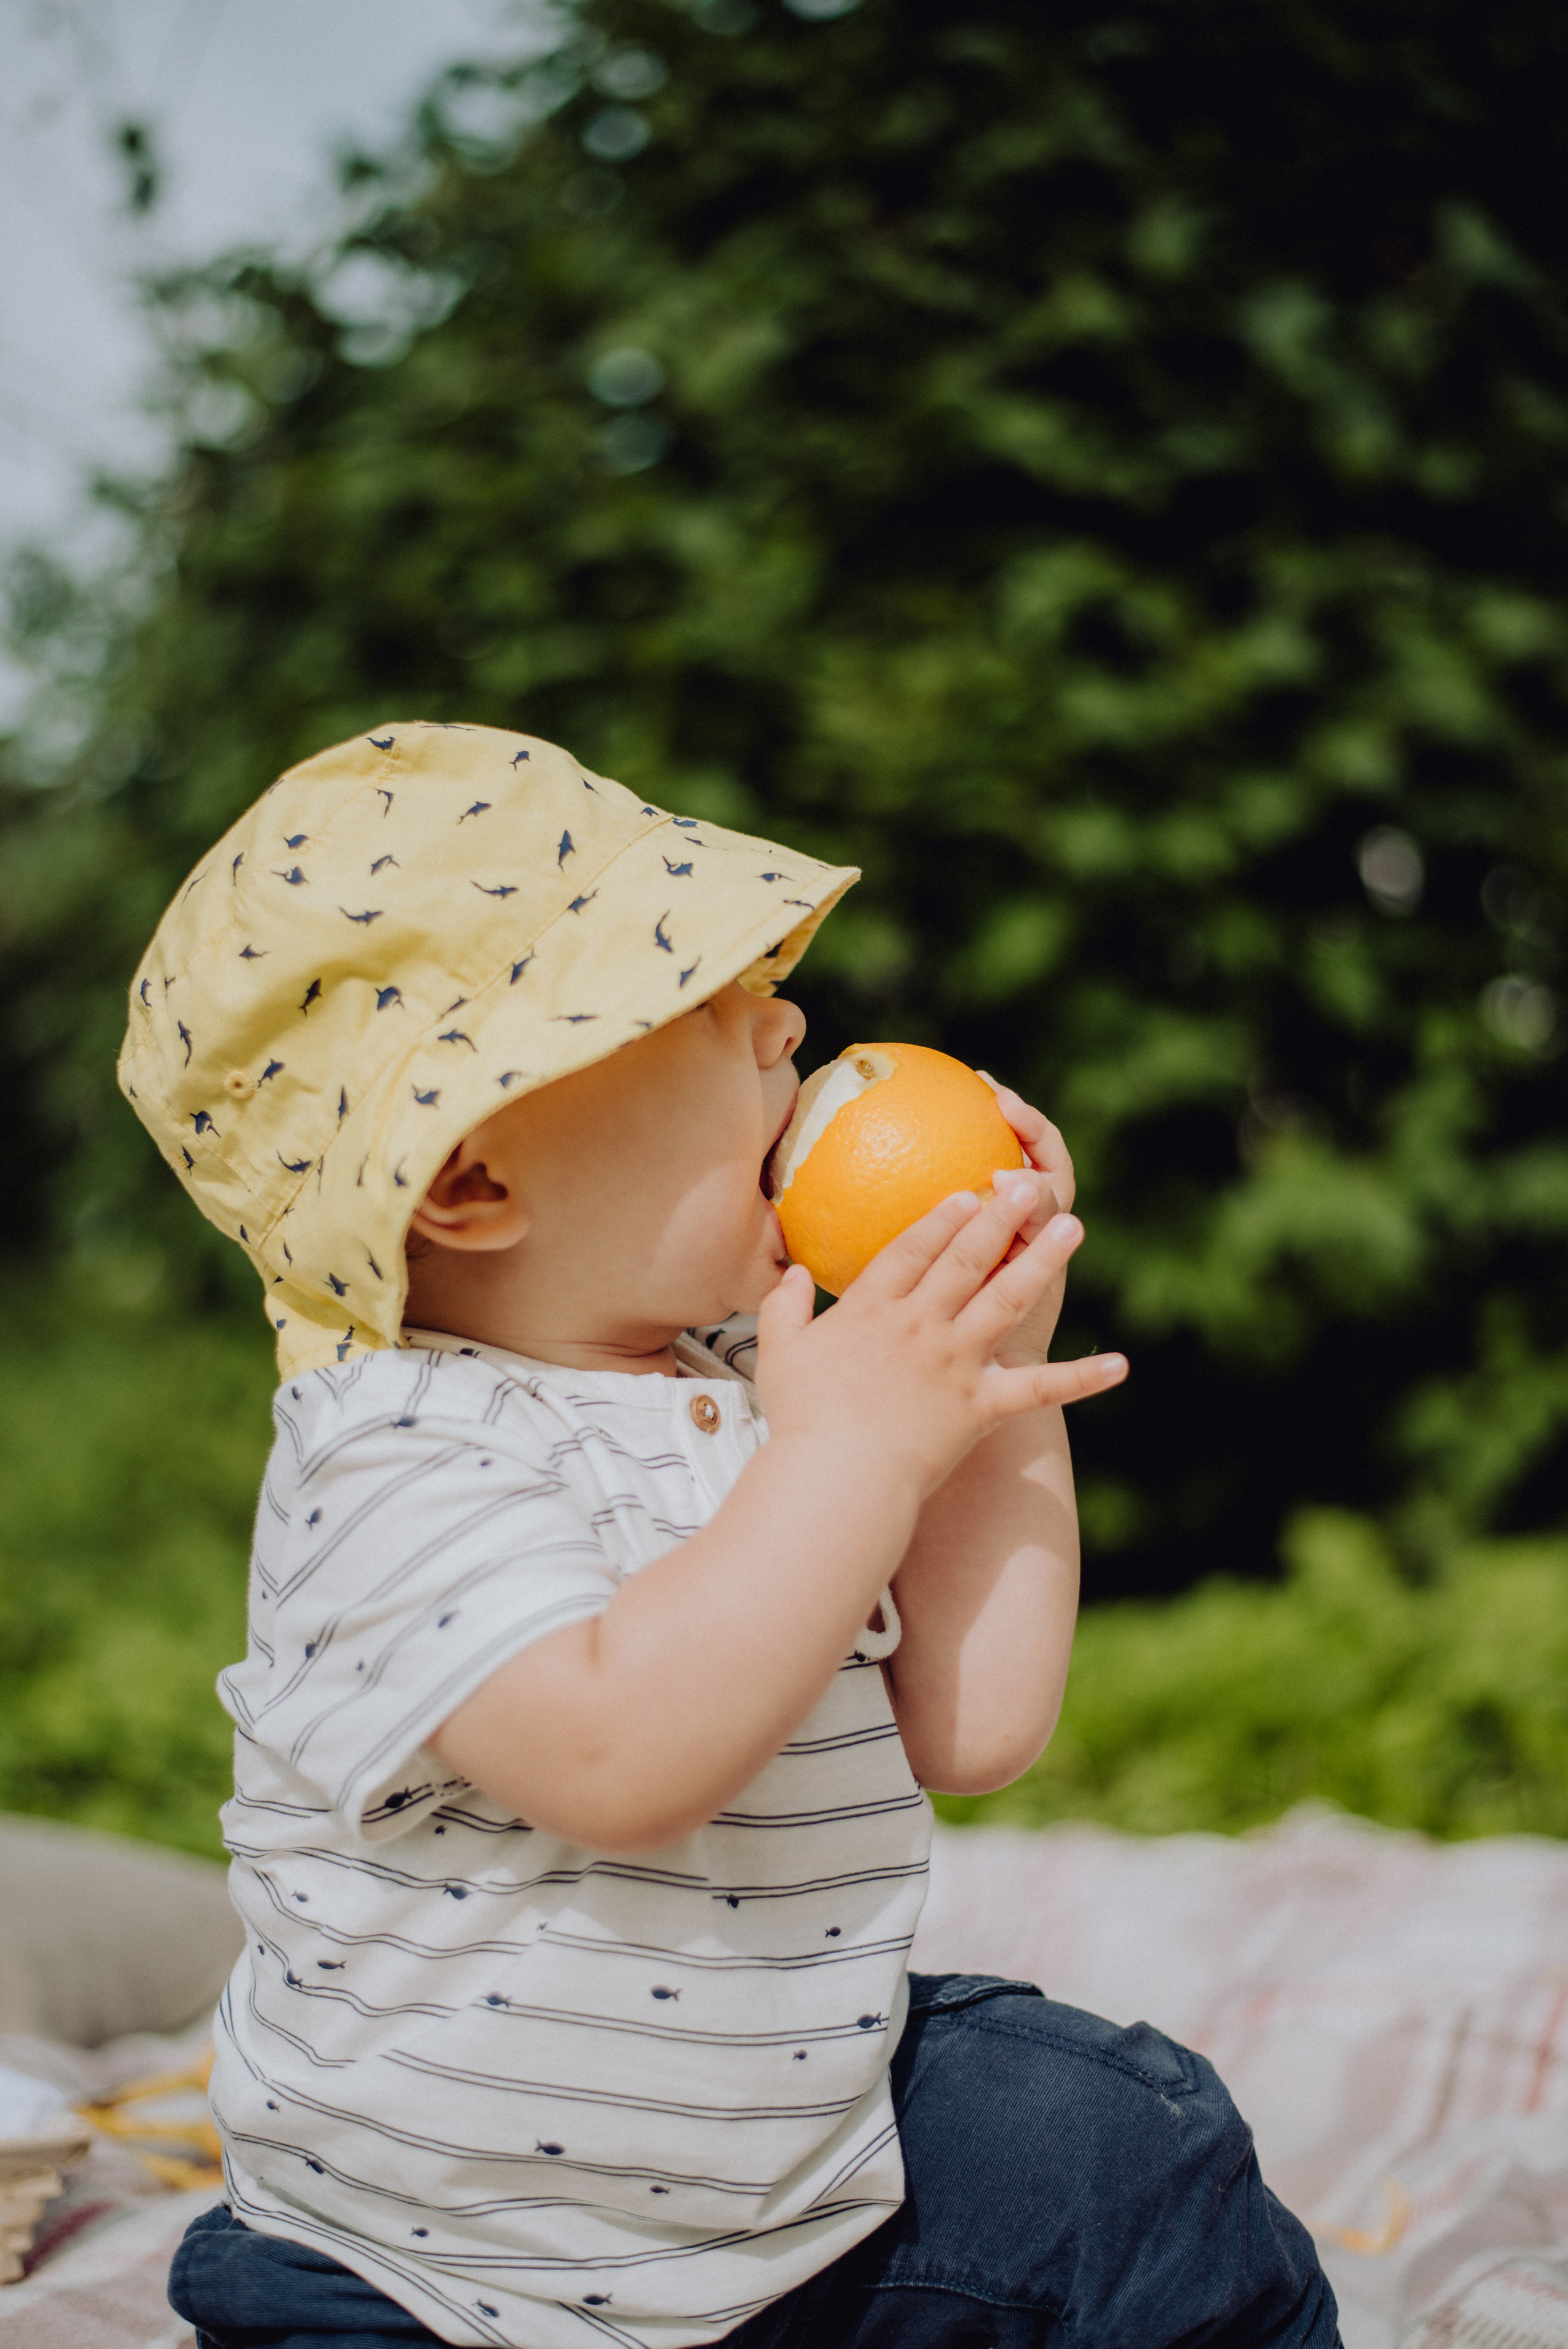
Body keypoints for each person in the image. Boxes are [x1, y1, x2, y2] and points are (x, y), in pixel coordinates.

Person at [120, 721, 1340, 2348]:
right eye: (702, 1002)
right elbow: (621, 1754)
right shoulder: (393, 1452)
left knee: (1131, 2143)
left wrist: (983, 1375)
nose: (786, 1020)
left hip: (782, 2203)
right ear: (472, 1179)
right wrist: (851, 1452)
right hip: (431, 2273)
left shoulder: (766, 1377)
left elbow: (978, 1725)